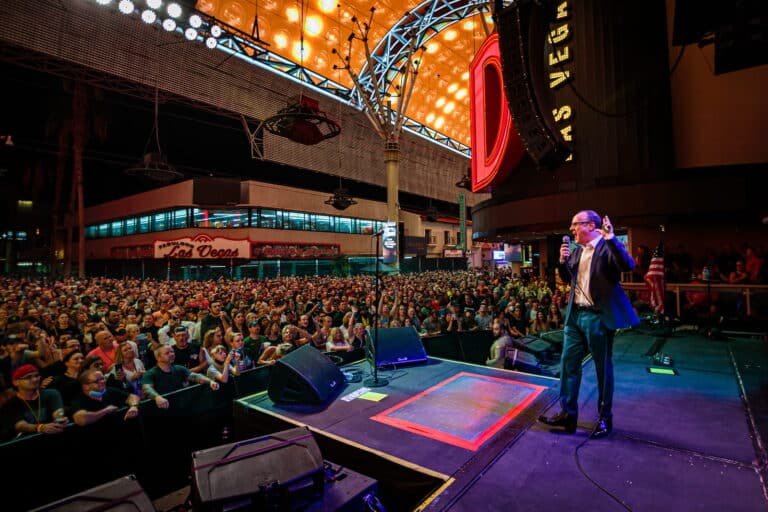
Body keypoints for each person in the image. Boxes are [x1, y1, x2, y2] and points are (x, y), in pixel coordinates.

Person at [539, 211, 638, 439]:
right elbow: (567, 279)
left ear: (591, 225)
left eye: (575, 225)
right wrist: (563, 262)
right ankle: (567, 414)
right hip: (575, 316)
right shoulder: (576, 252)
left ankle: (605, 418)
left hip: (597, 316)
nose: (571, 229)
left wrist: (612, 238)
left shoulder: (606, 247)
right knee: (568, 364)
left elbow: (628, 265)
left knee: (602, 369)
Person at [141, 345, 220, 410]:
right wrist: (157, 397)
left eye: (172, 351)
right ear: (158, 357)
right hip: (162, 411)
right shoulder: (150, 373)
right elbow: (147, 389)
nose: (172, 354)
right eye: (167, 353)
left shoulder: (179, 368)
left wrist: (210, 381)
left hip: (180, 408)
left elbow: (195, 376)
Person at [0, 364, 68, 439]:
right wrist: (40, 427)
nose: (35, 379)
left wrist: (60, 419)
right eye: (28, 377)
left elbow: (57, 412)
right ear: (16, 382)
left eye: (36, 376)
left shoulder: (52, 394)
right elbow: (20, 425)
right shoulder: (10, 405)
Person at [70, 369, 140, 426]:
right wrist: (105, 411)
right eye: (97, 381)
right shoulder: (79, 400)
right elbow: (81, 419)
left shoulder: (109, 391)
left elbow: (132, 397)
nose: (103, 382)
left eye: (103, 378)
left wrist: (134, 406)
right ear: (86, 386)